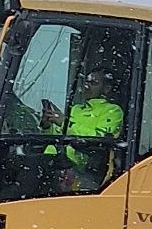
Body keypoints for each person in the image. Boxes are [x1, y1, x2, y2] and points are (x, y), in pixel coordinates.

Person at [44, 64, 126, 192]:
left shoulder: (113, 111)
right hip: (51, 160)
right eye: (86, 82)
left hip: (77, 166)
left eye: (93, 83)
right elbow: (57, 135)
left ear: (107, 88)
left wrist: (66, 123)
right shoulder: (76, 109)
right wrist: (47, 125)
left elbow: (99, 138)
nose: (87, 86)